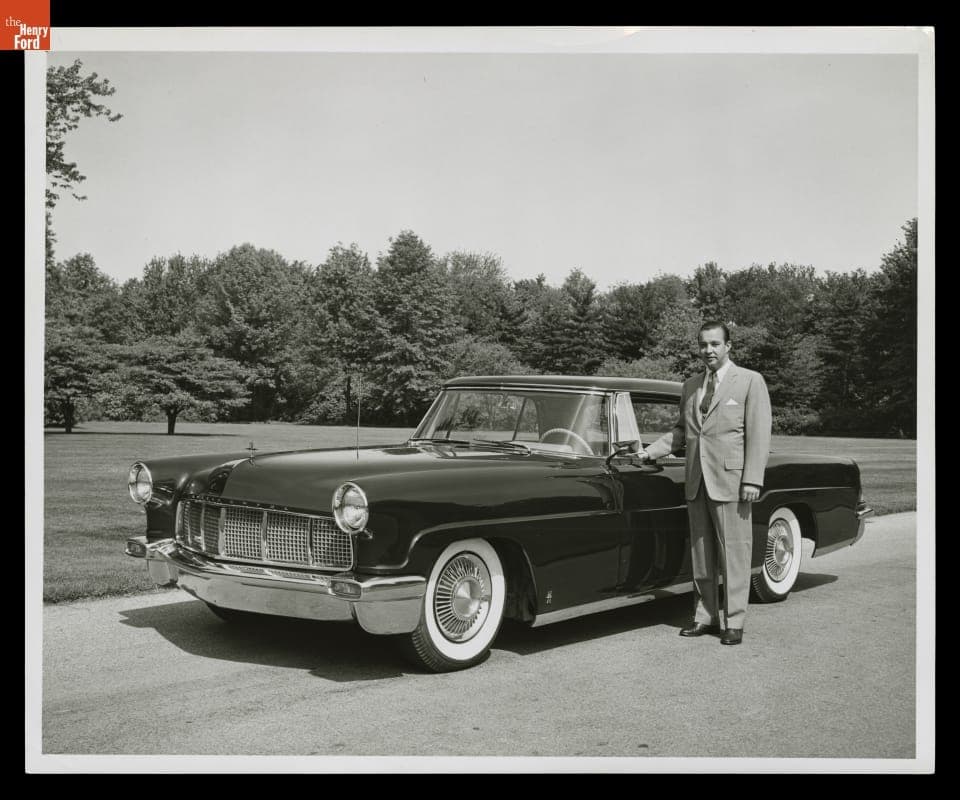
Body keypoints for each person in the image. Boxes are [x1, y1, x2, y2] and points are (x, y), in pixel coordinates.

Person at [639, 321, 771, 645]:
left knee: (734, 555)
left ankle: (734, 621)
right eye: (703, 345)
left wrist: (752, 479)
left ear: (728, 347)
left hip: (732, 481)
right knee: (702, 555)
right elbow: (682, 432)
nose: (708, 350)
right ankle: (705, 616)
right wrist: (650, 451)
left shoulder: (750, 382)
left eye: (715, 344)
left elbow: (758, 434)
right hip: (697, 481)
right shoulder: (691, 385)